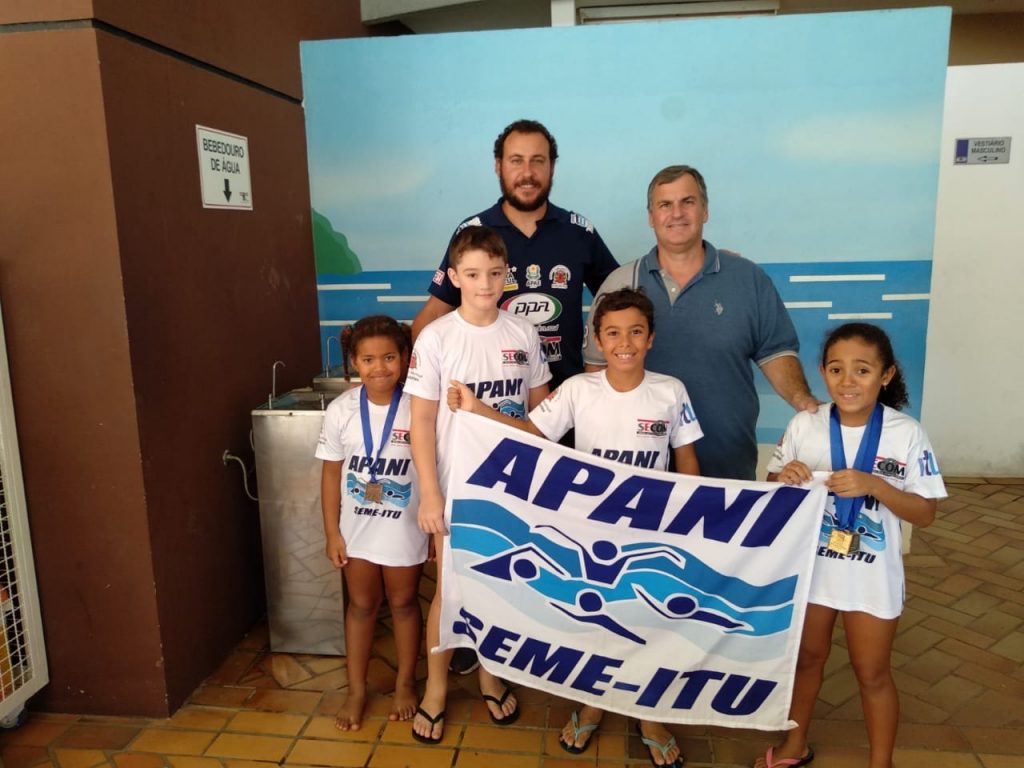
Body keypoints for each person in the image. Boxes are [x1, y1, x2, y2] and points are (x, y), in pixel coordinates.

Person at [448, 287, 701, 768]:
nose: (624, 341)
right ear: (597, 340)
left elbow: (687, 462)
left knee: (648, 622)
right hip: (590, 535)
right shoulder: (579, 390)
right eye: (612, 333)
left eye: (635, 331)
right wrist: (478, 409)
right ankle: (591, 704)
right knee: (596, 623)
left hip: (651, 532)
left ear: (650, 338)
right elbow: (531, 434)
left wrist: (686, 526)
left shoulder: (671, 391)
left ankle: (648, 715)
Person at [758, 322, 945, 768]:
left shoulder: (906, 433)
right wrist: (784, 478)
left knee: (872, 673)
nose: (848, 381)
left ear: (886, 375)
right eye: (837, 369)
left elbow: (925, 513)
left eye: (862, 370)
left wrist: (875, 486)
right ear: (822, 372)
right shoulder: (806, 425)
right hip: (813, 571)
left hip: (870, 575)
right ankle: (793, 745)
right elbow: (769, 487)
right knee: (806, 661)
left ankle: (881, 762)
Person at [403, 225, 552, 744]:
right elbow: (420, 423)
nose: (484, 283)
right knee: (448, 591)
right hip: (456, 487)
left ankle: (491, 672)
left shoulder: (522, 334)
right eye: (472, 274)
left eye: (493, 273)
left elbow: (542, 415)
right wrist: (430, 491)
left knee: (502, 585)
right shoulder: (436, 338)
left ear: (506, 274)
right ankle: (437, 689)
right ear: (454, 277)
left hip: (512, 488)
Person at [584, 165, 817, 481]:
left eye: (688, 202)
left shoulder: (748, 278)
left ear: (705, 210)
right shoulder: (620, 283)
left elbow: (776, 353)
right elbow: (596, 376)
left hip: (729, 470)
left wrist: (805, 403)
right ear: (651, 217)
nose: (676, 213)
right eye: (665, 205)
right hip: (640, 476)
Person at [412, 118, 618, 392]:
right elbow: (433, 314)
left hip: (568, 400)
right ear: (498, 166)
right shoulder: (474, 232)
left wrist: (603, 377)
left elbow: (619, 305)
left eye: (538, 161)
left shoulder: (578, 232)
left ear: (552, 166)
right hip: (490, 402)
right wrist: (425, 391)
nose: (527, 173)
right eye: (516, 160)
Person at [315, 315, 428, 731]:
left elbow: (434, 468)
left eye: (389, 357)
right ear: (353, 363)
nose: (379, 367)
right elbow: (330, 475)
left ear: (404, 359)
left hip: (405, 527)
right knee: (362, 606)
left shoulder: (418, 407)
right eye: (368, 359)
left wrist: (434, 528)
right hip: (357, 530)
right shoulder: (341, 409)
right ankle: (357, 688)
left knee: (403, 603)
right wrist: (332, 532)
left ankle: (404, 683)